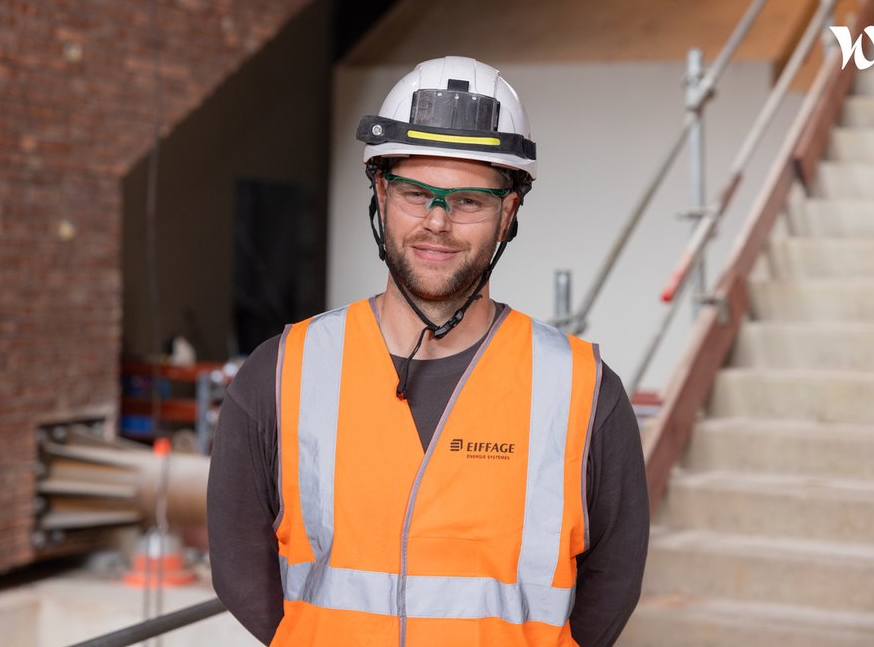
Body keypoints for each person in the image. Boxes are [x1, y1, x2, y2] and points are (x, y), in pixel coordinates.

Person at [208, 56, 649, 646]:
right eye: (417, 193)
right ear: (382, 194)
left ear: (508, 212)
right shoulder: (282, 372)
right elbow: (239, 568)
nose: (438, 221)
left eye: (469, 201)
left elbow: (613, 582)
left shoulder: (584, 391)